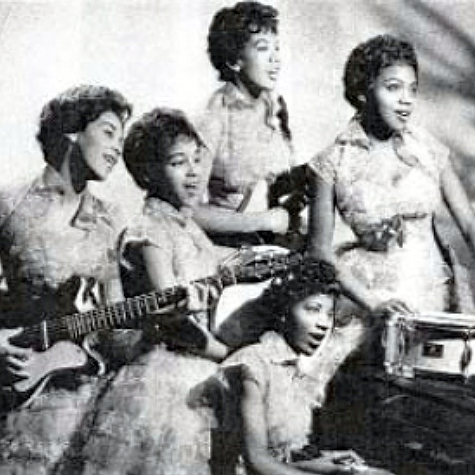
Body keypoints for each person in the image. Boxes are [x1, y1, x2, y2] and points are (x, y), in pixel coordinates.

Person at [77, 108, 242, 475]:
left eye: (197, 159)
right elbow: (175, 324)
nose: (194, 172)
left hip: (203, 363)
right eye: (178, 162)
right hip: (168, 376)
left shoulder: (188, 227)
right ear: (150, 172)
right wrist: (230, 355)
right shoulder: (150, 230)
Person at [0, 85, 132, 474]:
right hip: (17, 390)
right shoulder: (9, 204)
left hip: (87, 395)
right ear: (73, 130)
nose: (116, 148)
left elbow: (115, 319)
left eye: (122, 140)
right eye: (109, 132)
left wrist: (164, 318)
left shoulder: (111, 219)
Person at [307, 34, 475, 323]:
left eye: (412, 89)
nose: (406, 100)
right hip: (366, 298)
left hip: (436, 292)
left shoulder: (427, 148)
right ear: (363, 92)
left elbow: (470, 224)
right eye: (393, 88)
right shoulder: (331, 162)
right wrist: (374, 304)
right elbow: (319, 251)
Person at [189, 259, 392, 475]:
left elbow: (279, 459)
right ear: (284, 311)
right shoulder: (251, 365)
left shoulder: (293, 369)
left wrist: (327, 463)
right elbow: (255, 463)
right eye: (313, 309)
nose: (323, 323)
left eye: (329, 314)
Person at [195, 1, 306, 248]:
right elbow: (187, 211)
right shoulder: (214, 118)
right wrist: (261, 220)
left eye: (276, 48)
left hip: (283, 245)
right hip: (232, 252)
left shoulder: (276, 109)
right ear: (235, 60)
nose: (275, 59)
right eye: (263, 48)